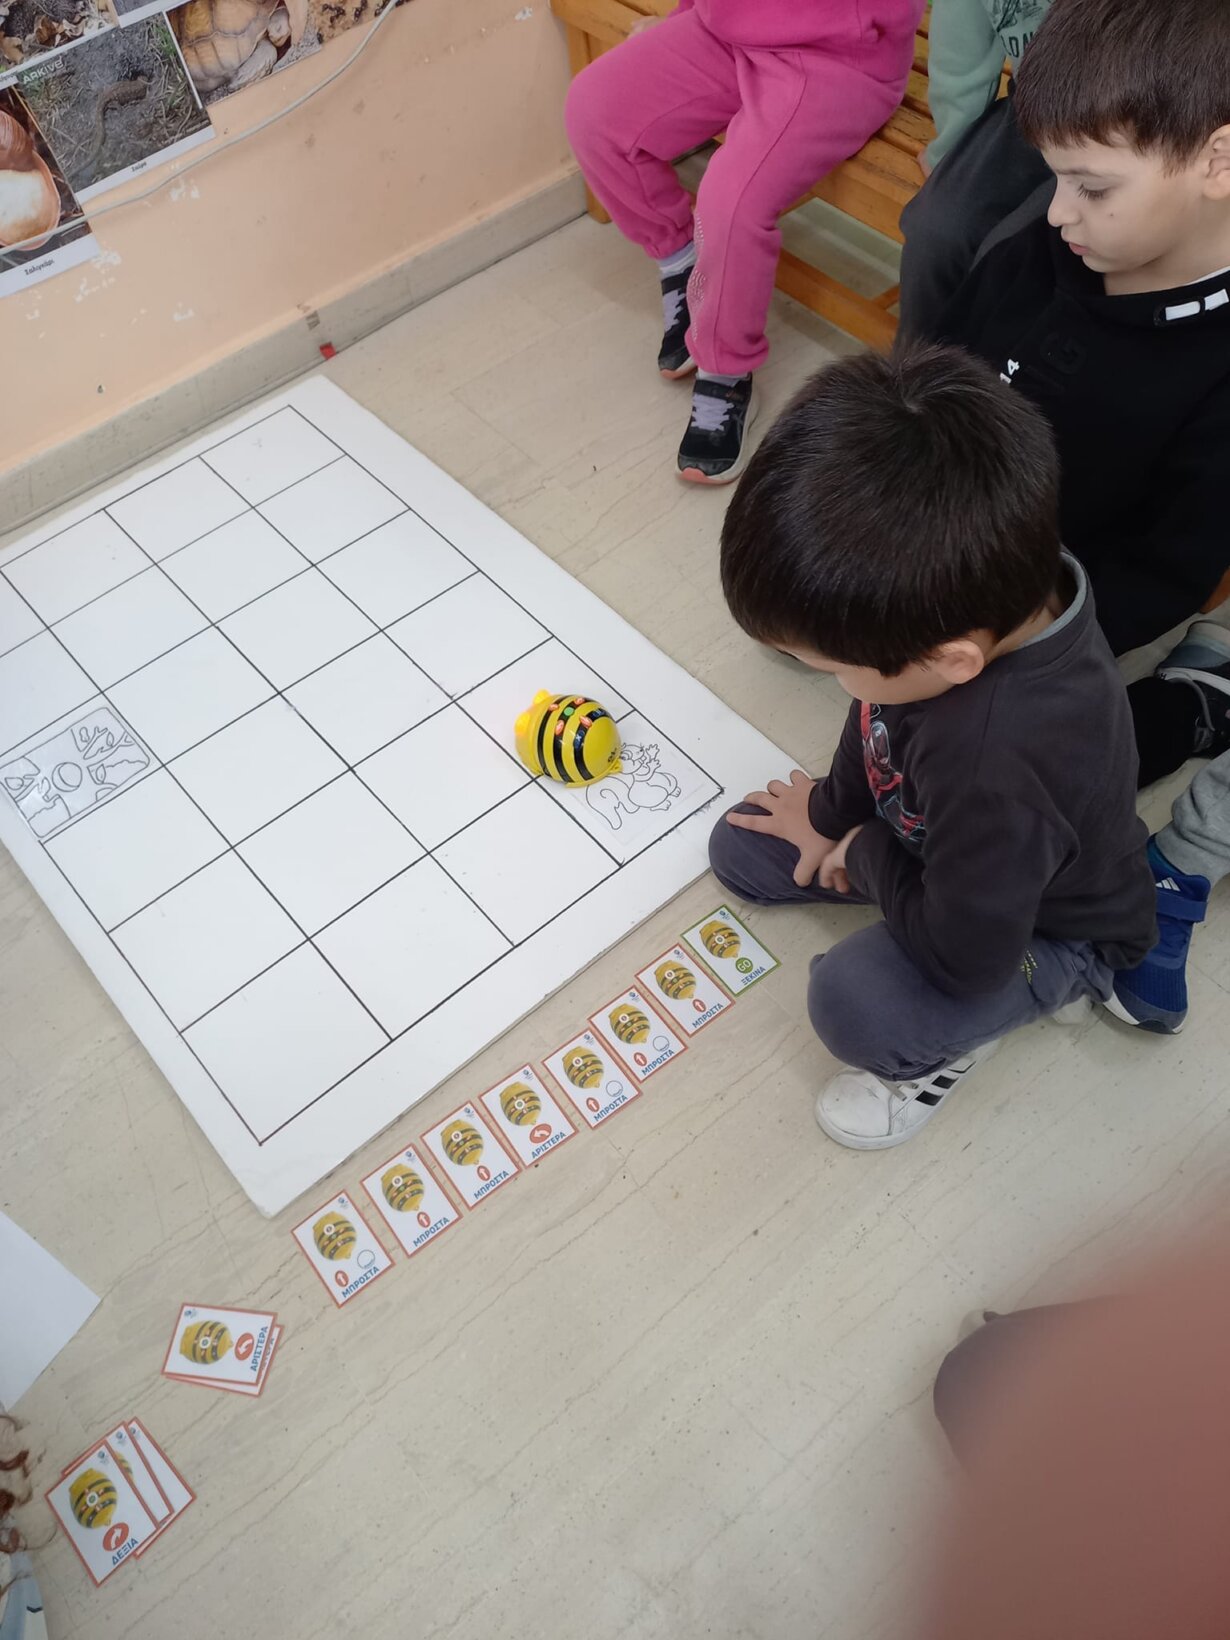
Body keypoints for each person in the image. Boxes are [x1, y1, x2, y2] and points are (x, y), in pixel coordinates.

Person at [708, 345, 1155, 1150]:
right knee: (741, 847)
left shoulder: (998, 770)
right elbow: (874, 719)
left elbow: (966, 959)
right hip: (952, 848)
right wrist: (830, 812)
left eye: (829, 665)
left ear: (953, 661)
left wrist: (863, 850)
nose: (834, 681)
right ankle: (889, 856)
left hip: (1041, 927)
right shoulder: (990, 586)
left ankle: (1026, 1004)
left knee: (856, 1005)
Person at [930, 0, 1230, 674]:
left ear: (1219, 161)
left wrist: (1024, 640)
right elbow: (936, 366)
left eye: (1090, 187)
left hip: (1046, 622)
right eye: (1054, 177)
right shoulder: (1048, 249)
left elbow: (1168, 567)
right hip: (940, 540)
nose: (1057, 212)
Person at [563, 0, 924, 485]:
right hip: (726, 31)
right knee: (594, 110)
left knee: (731, 203)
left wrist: (869, 26)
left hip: (837, 58)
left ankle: (725, 373)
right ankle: (680, 261)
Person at [898, 0, 1055, 338]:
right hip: (1032, 110)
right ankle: (915, 367)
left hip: (1131, 128)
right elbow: (960, 49)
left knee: (1006, 255)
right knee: (934, 231)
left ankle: (999, 370)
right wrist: (953, 151)